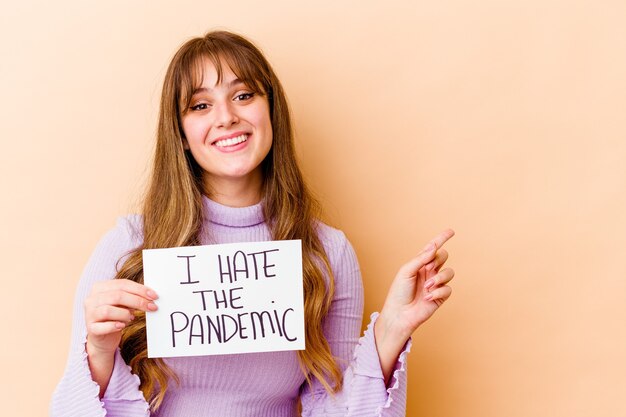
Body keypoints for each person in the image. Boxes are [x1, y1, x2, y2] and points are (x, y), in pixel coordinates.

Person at [50, 30, 455, 417]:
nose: (226, 117)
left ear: (271, 110)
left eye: (243, 95)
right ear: (181, 135)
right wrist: (99, 352)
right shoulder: (129, 245)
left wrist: (392, 331)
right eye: (201, 105)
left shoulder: (326, 253)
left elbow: (334, 408)